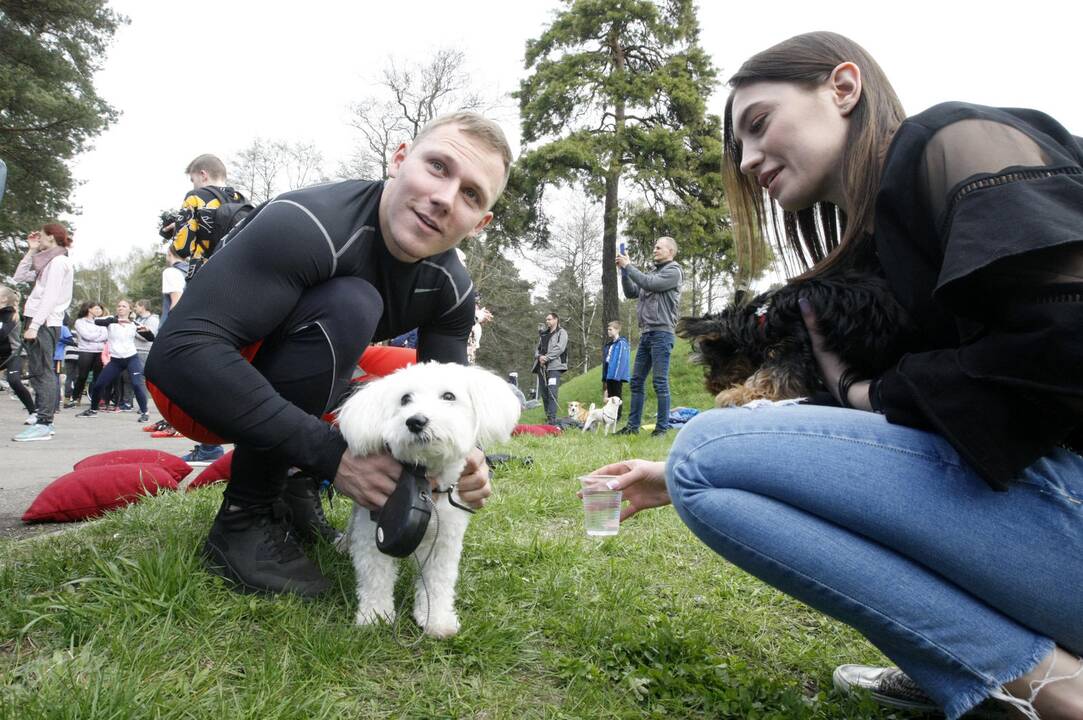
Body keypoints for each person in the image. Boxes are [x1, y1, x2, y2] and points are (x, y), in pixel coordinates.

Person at [590, 32, 1083, 720]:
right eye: (741, 148)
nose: (752, 158)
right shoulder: (881, 241)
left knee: (706, 448)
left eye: (758, 124)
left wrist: (870, 393)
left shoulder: (956, 140)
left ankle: (1054, 689)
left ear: (842, 88)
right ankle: (976, 665)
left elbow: (1065, 341)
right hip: (1052, 536)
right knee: (697, 473)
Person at [146, 111, 512, 597]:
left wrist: (469, 457)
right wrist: (330, 455)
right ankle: (246, 516)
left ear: (479, 223)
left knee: (409, 381)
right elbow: (177, 354)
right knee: (352, 303)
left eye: (471, 195)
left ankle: (294, 491)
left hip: (292, 380)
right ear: (399, 158)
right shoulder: (308, 224)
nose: (445, 198)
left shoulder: (452, 290)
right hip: (196, 390)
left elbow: (449, 398)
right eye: (438, 167)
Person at [160, 156, 241, 462]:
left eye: (192, 178)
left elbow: (181, 247)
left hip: (204, 283)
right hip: (238, 287)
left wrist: (175, 230)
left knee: (200, 364)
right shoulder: (239, 198)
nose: (191, 184)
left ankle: (208, 445)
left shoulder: (196, 197)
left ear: (202, 174)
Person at [11, 223, 74, 442]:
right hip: (38, 319)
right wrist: (31, 250)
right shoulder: (46, 263)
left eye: (42, 235)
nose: (39, 238)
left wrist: (35, 326)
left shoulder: (58, 262)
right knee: (38, 372)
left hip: (45, 321)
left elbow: (50, 296)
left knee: (44, 372)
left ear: (51, 237)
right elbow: (18, 277)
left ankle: (45, 423)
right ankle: (41, 419)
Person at [615, 236, 683, 437]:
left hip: (662, 333)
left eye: (658, 247)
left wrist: (630, 266)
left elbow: (650, 283)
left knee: (659, 382)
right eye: (654, 247)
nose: (654, 250)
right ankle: (632, 427)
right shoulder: (652, 273)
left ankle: (661, 429)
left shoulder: (674, 271)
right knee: (636, 381)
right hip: (646, 333)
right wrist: (624, 272)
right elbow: (631, 292)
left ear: (670, 251)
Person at [76, 300, 152, 423]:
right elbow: (97, 321)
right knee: (99, 384)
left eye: (124, 306)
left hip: (131, 358)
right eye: (119, 306)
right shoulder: (110, 320)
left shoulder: (134, 323)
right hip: (116, 361)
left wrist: (147, 331)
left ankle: (145, 412)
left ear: (130, 310)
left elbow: (151, 338)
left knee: (137, 384)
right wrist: (117, 321)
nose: (120, 308)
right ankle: (93, 410)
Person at [68, 301, 107, 409]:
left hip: (99, 351)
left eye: (100, 309)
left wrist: (95, 337)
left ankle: (97, 400)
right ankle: (74, 398)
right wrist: (98, 336)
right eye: (97, 308)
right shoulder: (80, 322)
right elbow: (86, 336)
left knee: (98, 377)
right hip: (86, 351)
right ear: (89, 309)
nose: (99, 311)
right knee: (82, 376)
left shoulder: (103, 321)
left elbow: (106, 335)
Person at [531, 311, 567, 425]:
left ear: (556, 320)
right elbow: (537, 349)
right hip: (541, 367)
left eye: (549, 319)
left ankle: (552, 418)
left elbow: (559, 348)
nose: (547, 321)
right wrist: (539, 357)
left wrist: (546, 358)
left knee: (552, 392)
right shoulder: (544, 334)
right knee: (544, 393)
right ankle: (548, 416)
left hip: (554, 366)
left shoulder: (562, 333)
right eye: (546, 319)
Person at [601, 320, 630, 420]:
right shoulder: (610, 344)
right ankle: (610, 416)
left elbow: (621, 360)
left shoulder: (622, 343)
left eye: (610, 329)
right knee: (610, 396)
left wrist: (617, 376)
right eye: (608, 329)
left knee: (617, 396)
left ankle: (618, 416)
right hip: (609, 373)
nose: (608, 331)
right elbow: (607, 361)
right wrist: (605, 376)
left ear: (617, 330)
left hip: (616, 374)